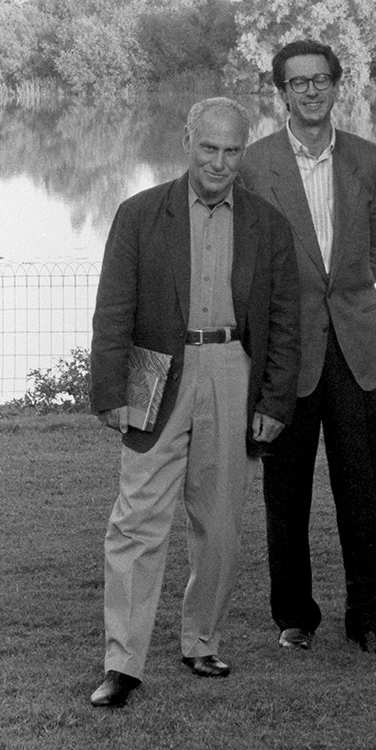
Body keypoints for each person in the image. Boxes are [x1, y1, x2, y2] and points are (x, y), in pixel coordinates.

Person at [88, 98, 300, 709]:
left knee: (221, 520)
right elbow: (113, 309)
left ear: (243, 151)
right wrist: (109, 392)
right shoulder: (139, 214)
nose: (220, 162)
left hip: (233, 372)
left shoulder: (267, 224)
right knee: (136, 520)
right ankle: (122, 664)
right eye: (209, 148)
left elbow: (286, 320)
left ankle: (200, 640)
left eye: (232, 150)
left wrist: (275, 400)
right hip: (156, 373)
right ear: (186, 142)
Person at [238, 39, 376, 653]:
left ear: (337, 85)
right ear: (282, 92)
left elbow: (369, 255)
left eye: (321, 79)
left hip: (353, 345)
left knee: (362, 487)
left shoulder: (373, 162)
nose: (311, 90)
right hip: (285, 352)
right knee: (287, 491)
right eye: (298, 82)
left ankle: (370, 618)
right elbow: (250, 268)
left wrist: (343, 298)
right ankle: (295, 616)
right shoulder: (254, 166)